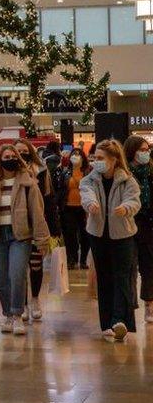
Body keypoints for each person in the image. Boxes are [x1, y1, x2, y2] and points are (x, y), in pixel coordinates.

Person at [0, 145, 50, 336]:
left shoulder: (27, 183)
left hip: (20, 236)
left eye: (12, 156)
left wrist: (42, 240)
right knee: (1, 277)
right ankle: (7, 315)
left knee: (17, 274)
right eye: (5, 156)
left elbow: (37, 213)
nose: (9, 159)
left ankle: (17, 315)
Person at [80, 139, 141, 341]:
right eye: (94, 158)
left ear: (113, 160)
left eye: (100, 158)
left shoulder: (128, 180)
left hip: (123, 235)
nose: (96, 161)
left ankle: (119, 321)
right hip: (98, 235)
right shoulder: (89, 180)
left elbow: (134, 200)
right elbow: (86, 195)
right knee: (104, 277)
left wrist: (126, 208)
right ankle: (106, 324)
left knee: (122, 277)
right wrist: (91, 205)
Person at [13, 139, 60, 321]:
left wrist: (54, 228)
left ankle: (34, 300)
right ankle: (22, 303)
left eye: (25, 151)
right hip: (16, 225)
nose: (21, 154)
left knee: (35, 264)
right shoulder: (8, 171)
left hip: (36, 224)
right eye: (18, 151)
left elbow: (49, 200)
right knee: (18, 267)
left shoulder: (41, 171)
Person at [124, 136, 153, 323]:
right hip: (129, 223)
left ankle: (149, 305)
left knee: (149, 266)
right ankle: (129, 305)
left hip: (149, 223)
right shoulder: (124, 173)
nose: (145, 152)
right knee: (129, 266)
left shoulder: (151, 171)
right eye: (142, 149)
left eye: (147, 149)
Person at [60, 148, 92, 270]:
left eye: (78, 155)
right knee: (70, 235)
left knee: (85, 235)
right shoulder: (65, 172)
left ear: (83, 157)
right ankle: (71, 259)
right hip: (68, 207)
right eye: (73, 154)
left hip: (84, 208)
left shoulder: (88, 172)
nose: (76, 156)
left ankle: (83, 260)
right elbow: (61, 190)